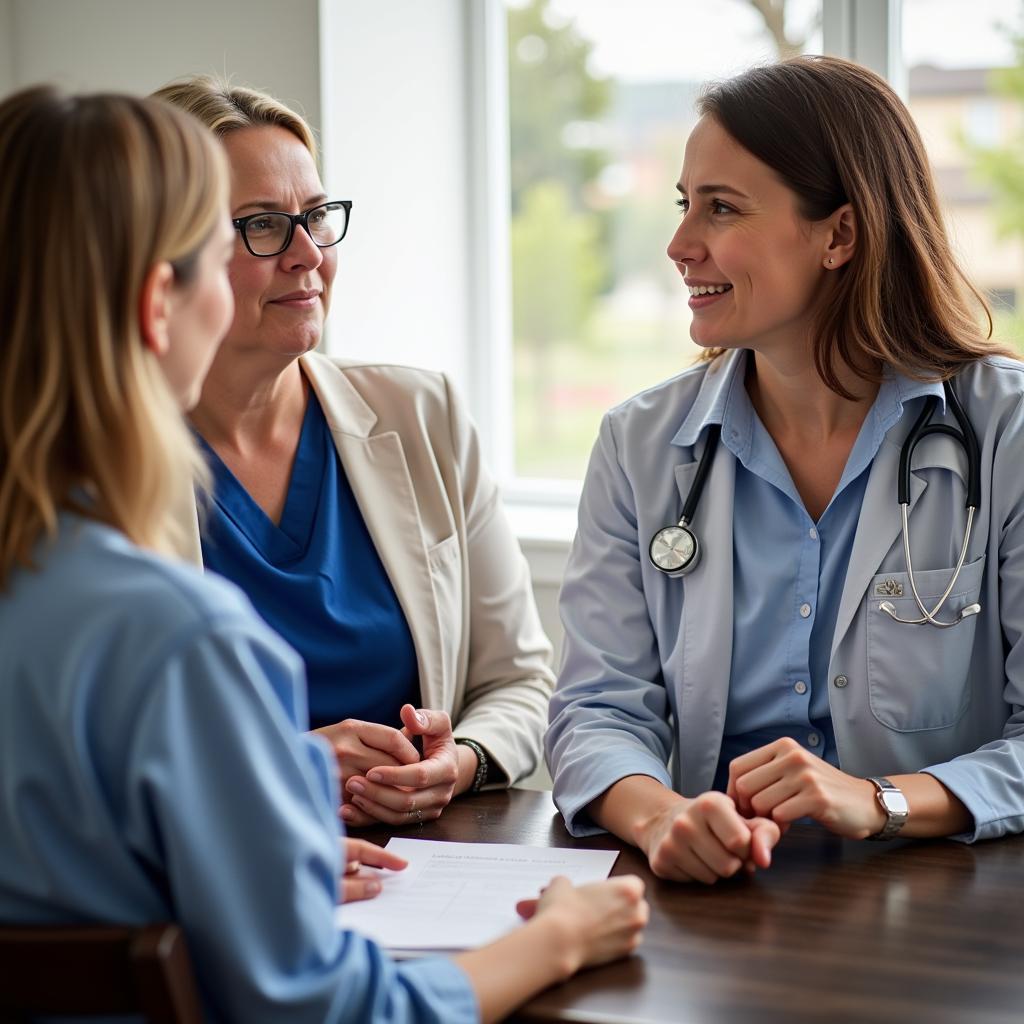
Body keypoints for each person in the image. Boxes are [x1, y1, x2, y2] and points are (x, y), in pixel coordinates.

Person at [0, 85, 647, 1023]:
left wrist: (264, 827)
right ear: (157, 305)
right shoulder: (180, 639)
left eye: (315, 219)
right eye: (245, 237)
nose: (305, 255)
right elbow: (324, 1006)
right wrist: (558, 938)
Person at [547, 55, 1024, 885]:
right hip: (713, 898)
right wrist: (663, 819)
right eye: (684, 204)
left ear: (840, 234)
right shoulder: (640, 443)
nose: (679, 244)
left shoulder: (1005, 433)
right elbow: (596, 710)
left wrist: (880, 801)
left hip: (939, 907)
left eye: (721, 208)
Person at [153, 76, 553, 828]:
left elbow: (522, 682)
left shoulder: (420, 414)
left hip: (424, 862)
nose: (308, 254)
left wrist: (457, 760)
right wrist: (290, 769)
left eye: (316, 217)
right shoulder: (92, 468)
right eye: (263, 225)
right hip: (222, 874)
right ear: (166, 256)